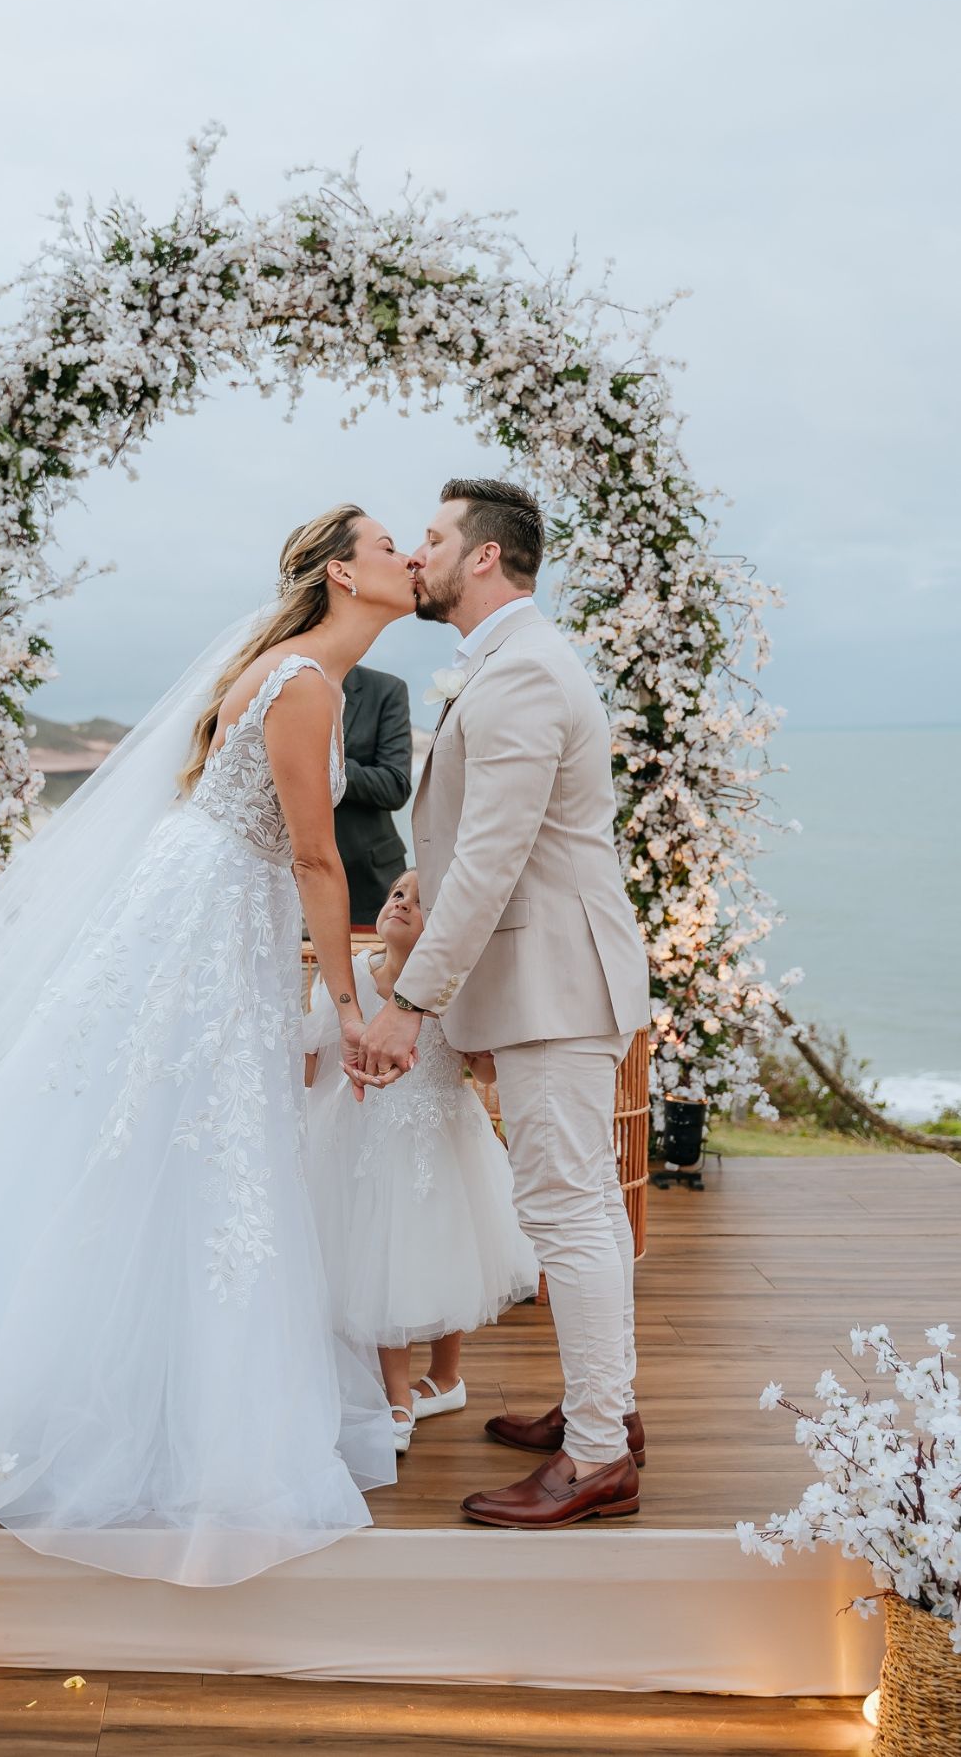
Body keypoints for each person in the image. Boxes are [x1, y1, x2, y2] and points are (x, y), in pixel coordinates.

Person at [0, 504, 417, 1587]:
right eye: (389, 544)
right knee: (176, 1137)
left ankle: (135, 1375)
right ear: (344, 575)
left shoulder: (283, 665)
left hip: (200, 907)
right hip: (207, 924)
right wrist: (349, 1005)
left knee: (151, 1135)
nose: (407, 556)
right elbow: (316, 859)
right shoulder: (306, 684)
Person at [356, 477, 651, 1530]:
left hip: (554, 980)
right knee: (572, 1207)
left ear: (482, 556)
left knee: (566, 1210)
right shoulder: (505, 664)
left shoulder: (523, 671)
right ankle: (597, 1404)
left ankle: (595, 1456)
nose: (419, 552)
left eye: (432, 537)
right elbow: (468, 847)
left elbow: (490, 858)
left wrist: (410, 1002)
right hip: (543, 975)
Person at [302, 869, 538, 1454]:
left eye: (420, 899)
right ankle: (398, 1398)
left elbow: (480, 1071)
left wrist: (492, 1046)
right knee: (386, 1260)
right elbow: (315, 1064)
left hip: (444, 1136)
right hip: (368, 1141)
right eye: (396, 893)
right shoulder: (352, 980)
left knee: (445, 1253)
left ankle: (448, 1377)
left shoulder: (452, 990)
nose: (402, 902)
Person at [333, 665, 413, 926]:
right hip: (279, 875)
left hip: (369, 881)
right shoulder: (275, 685)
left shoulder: (386, 689)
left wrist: (328, 763)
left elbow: (395, 785)